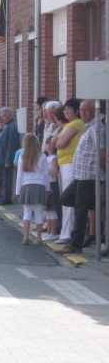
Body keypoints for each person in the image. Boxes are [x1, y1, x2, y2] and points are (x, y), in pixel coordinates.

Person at [55, 100, 106, 254]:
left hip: (89, 174)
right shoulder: (87, 127)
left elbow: (102, 153)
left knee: (80, 210)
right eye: (81, 110)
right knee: (66, 198)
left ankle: (75, 244)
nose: (83, 112)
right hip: (80, 174)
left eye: (86, 110)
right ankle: (98, 206)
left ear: (94, 111)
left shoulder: (97, 128)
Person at [52, 99, 85, 244]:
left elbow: (59, 143)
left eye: (69, 109)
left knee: (68, 200)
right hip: (64, 163)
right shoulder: (69, 125)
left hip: (70, 165)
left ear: (76, 111)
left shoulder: (76, 124)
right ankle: (66, 232)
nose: (66, 111)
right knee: (65, 199)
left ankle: (67, 233)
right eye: (65, 109)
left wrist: (57, 139)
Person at [16, 133, 50, 246]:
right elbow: (46, 175)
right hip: (40, 186)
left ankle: (25, 237)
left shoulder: (22, 156)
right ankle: (39, 239)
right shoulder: (42, 156)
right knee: (39, 214)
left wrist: (17, 191)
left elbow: (19, 176)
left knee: (27, 213)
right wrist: (48, 188)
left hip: (26, 186)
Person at [0, 107, 20, 205]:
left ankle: (5, 198)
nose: (1, 118)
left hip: (5, 159)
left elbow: (12, 145)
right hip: (1, 158)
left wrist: (8, 160)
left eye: (3, 116)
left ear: (8, 115)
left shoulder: (13, 126)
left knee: (6, 179)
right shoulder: (6, 126)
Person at [43, 136, 61, 241]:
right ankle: (49, 231)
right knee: (48, 210)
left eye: (50, 144)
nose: (48, 146)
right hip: (47, 184)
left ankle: (53, 232)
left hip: (52, 184)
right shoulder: (47, 158)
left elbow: (55, 173)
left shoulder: (53, 158)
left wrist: (46, 170)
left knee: (52, 210)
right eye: (47, 144)